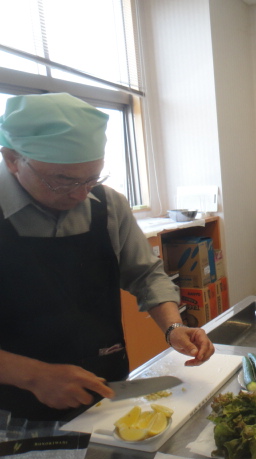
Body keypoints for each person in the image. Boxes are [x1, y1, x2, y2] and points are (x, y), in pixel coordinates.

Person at [0, 93, 215, 421]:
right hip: (11, 407)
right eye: (62, 180)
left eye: (92, 178)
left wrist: (173, 326)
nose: (79, 193)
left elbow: (145, 274)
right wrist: (34, 376)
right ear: (12, 159)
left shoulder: (108, 204)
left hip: (105, 385)